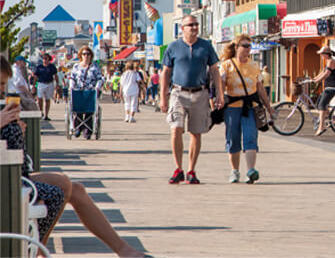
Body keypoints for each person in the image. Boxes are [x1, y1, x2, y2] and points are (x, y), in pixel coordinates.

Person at [0, 56, 146, 258]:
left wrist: (18, 129)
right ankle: (37, 249)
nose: (2, 89)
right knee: (61, 189)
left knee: (74, 188)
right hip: (8, 180)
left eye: (3, 84)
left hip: (14, 174)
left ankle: (124, 250)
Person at [160, 14, 223, 184]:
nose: (194, 28)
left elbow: (215, 70)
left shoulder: (206, 46)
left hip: (200, 93)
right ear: (182, 28)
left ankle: (191, 171)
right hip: (178, 93)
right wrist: (163, 97)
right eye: (190, 25)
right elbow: (166, 72)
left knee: (196, 133)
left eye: (196, 24)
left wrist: (220, 94)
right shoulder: (173, 47)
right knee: (176, 129)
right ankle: (178, 168)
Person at [220, 34, 273, 184]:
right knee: (233, 139)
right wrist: (218, 100)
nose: (248, 49)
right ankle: (234, 171)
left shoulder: (254, 66)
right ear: (236, 48)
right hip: (232, 108)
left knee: (251, 137)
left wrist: (269, 106)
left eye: (249, 46)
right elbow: (220, 87)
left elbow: (260, 88)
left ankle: (250, 170)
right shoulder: (227, 65)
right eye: (244, 45)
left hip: (251, 107)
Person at [68, 47, 104, 139]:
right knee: (77, 110)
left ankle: (87, 130)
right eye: (84, 54)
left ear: (91, 56)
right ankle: (77, 128)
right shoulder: (76, 66)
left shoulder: (95, 66)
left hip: (91, 91)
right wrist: (71, 86)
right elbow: (72, 78)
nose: (86, 56)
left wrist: (97, 87)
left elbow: (100, 78)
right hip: (78, 91)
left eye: (88, 54)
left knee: (89, 111)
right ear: (81, 55)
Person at [310, 46, 335, 137]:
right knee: (318, 103)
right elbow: (322, 73)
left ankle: (321, 127)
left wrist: (318, 81)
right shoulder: (327, 62)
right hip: (328, 87)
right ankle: (332, 119)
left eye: (321, 54)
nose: (321, 56)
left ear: (326, 54)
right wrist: (313, 79)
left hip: (333, 87)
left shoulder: (331, 61)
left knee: (322, 105)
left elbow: (326, 74)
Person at [33, 53, 58, 120]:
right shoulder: (39, 67)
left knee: (47, 99)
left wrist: (57, 84)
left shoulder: (52, 67)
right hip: (41, 84)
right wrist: (34, 86)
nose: (45, 60)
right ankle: (41, 112)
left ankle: (46, 115)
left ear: (49, 59)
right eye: (43, 58)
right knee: (39, 99)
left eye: (46, 58)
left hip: (49, 84)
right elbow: (35, 77)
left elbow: (55, 75)